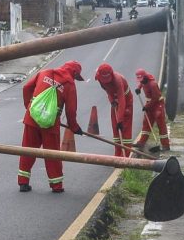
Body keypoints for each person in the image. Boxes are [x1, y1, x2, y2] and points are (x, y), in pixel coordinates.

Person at [17, 61, 85, 193]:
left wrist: (29, 107)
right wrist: (74, 127)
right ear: (74, 73)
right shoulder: (69, 85)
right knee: (52, 154)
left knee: (27, 150)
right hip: (50, 124)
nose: (75, 79)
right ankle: (56, 185)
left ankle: (23, 182)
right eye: (76, 77)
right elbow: (71, 111)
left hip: (32, 118)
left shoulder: (44, 72)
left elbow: (26, 88)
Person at [94, 63, 134, 157]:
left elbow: (122, 99)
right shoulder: (98, 78)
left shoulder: (118, 80)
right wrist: (112, 101)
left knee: (125, 130)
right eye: (104, 80)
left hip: (126, 103)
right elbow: (107, 90)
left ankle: (126, 158)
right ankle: (117, 156)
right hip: (115, 103)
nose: (106, 82)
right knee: (116, 131)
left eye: (107, 80)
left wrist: (120, 120)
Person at [134, 68, 170, 152]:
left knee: (161, 125)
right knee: (146, 123)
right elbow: (141, 84)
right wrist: (138, 88)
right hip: (149, 104)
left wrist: (147, 106)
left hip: (157, 105)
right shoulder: (143, 81)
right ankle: (141, 142)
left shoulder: (152, 84)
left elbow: (155, 98)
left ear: (145, 77)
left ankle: (165, 145)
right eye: (140, 80)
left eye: (142, 79)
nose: (141, 81)